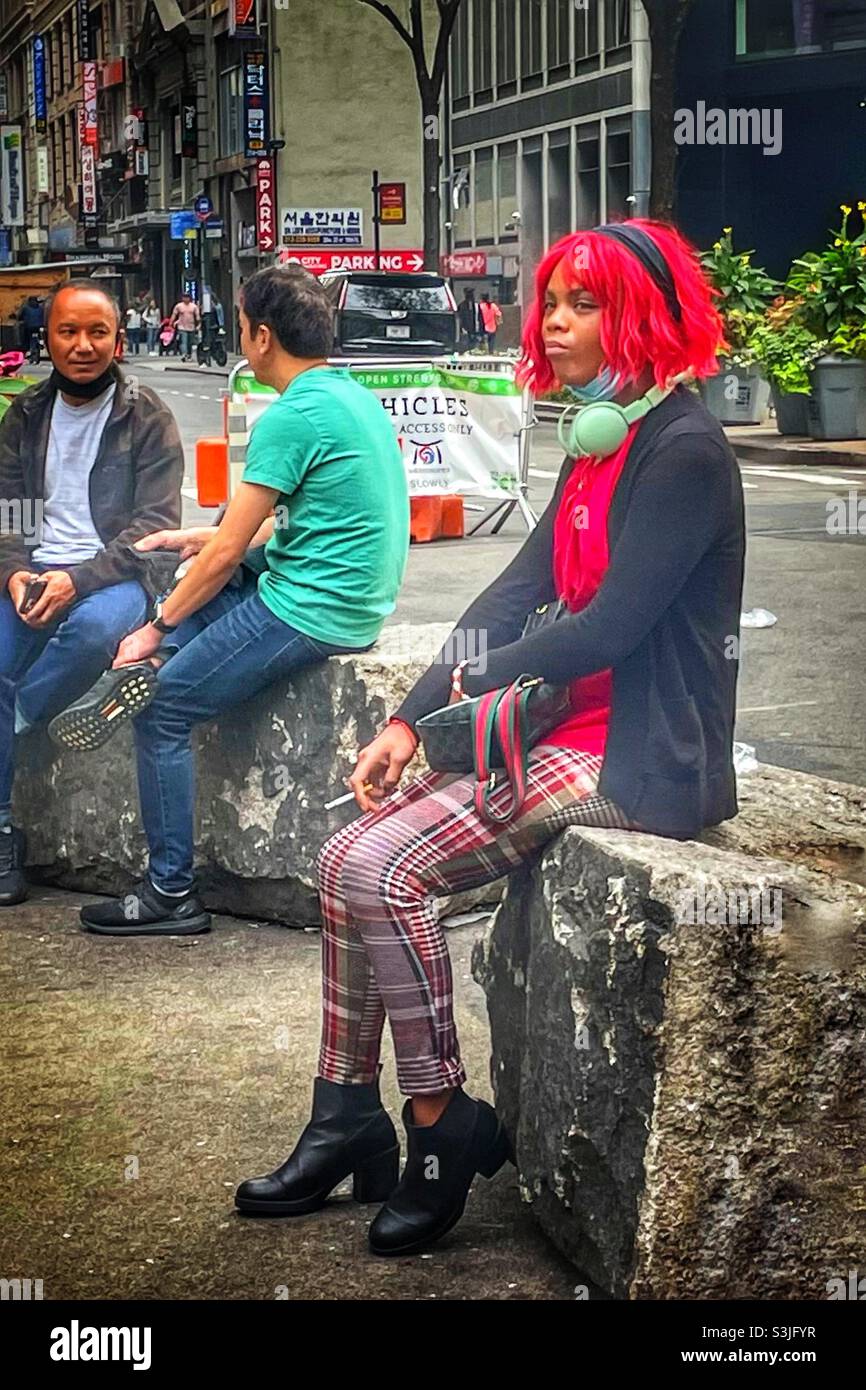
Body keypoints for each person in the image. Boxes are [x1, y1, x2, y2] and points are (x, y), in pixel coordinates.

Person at [231, 219, 745, 1258]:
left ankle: (436, 1123)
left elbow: (608, 627)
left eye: (582, 303)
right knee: (342, 858)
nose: (551, 321)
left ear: (640, 313)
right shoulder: (603, 431)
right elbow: (517, 588)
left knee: (382, 868)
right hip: (565, 731)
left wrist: (470, 684)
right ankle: (345, 1116)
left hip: (636, 756)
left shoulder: (680, 449)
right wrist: (404, 717)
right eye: (549, 299)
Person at [49, 264, 410, 939]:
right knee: (205, 563)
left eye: (242, 327)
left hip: (311, 608)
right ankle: (166, 660)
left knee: (161, 715)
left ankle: (169, 891)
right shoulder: (349, 397)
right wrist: (204, 536)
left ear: (262, 336)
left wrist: (157, 626)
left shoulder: (293, 415)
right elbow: (271, 529)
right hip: (348, 594)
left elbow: (222, 559)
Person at [0, 280, 184, 906]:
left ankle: (19, 722)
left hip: (116, 578)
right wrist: (17, 573)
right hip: (37, 573)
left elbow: (153, 527)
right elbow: (12, 516)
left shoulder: (146, 413)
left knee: (93, 632)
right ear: (45, 338)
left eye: (97, 332)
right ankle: (1, 840)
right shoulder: (24, 415)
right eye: (68, 332)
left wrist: (75, 579)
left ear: (117, 337)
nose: (83, 346)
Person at [170, 292, 200, 361]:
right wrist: (171, 322)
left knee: (190, 343)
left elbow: (197, 316)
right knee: (184, 341)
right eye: (184, 297)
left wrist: (198, 324)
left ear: (189, 298)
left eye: (187, 297)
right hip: (182, 326)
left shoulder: (193, 306)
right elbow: (174, 314)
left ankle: (189, 355)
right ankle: (184, 354)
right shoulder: (179, 306)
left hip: (191, 327)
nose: (186, 298)